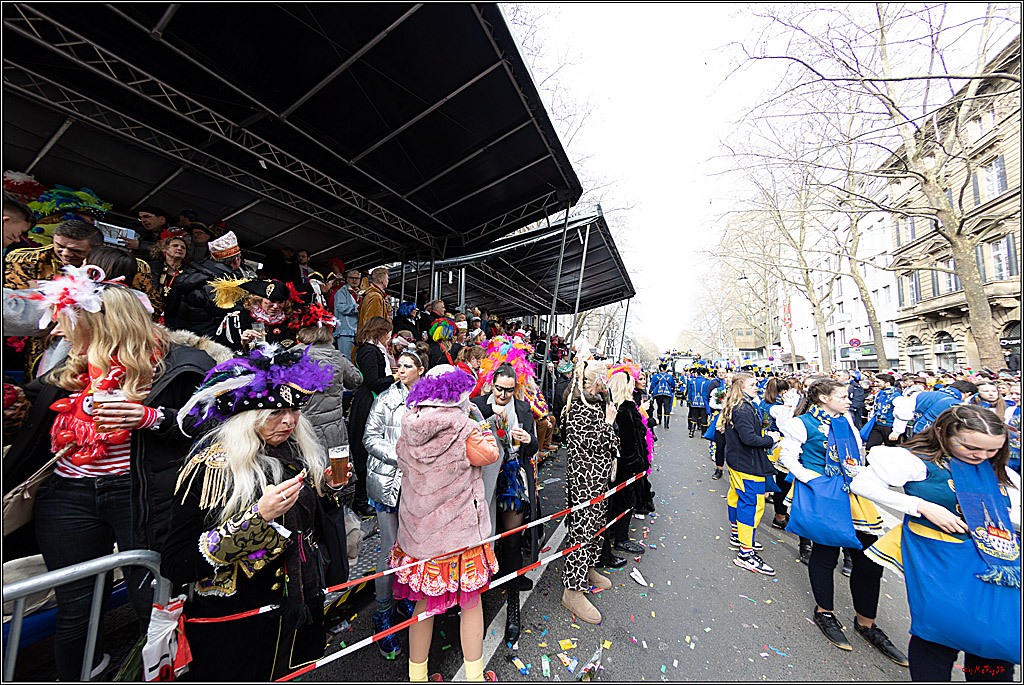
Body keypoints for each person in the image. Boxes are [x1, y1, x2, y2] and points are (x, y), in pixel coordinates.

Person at [2, 265, 215, 680]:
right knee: (75, 607)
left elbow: (213, 423)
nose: (58, 334)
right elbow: (26, 419)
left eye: (66, 323)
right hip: (67, 497)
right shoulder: (66, 372)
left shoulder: (182, 364)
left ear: (100, 322)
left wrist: (152, 417)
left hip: (140, 494)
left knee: (151, 599)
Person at [160, 345, 346, 681]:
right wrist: (257, 519)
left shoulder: (294, 453)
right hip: (236, 627)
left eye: (294, 410)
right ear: (248, 417)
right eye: (275, 412)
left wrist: (327, 490)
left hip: (296, 614)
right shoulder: (212, 468)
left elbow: (310, 532)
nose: (289, 420)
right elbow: (176, 562)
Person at [851, 406, 1020, 681]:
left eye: (992, 451)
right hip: (939, 558)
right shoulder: (915, 461)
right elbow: (862, 484)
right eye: (972, 447)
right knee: (939, 634)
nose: (982, 456)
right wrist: (921, 506)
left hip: (995, 564)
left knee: (992, 639)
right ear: (942, 432)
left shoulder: (1003, 474)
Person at [778, 379, 908, 665]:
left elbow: (857, 453)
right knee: (825, 553)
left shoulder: (846, 419)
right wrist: (814, 481)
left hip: (855, 495)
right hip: (824, 495)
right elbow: (788, 457)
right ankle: (825, 612)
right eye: (842, 396)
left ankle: (866, 624)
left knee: (869, 560)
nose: (850, 400)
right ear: (823, 398)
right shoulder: (801, 424)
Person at [390, 365, 501, 682]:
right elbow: (490, 453)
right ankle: (475, 676)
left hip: (419, 537)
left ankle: (418, 676)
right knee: (471, 604)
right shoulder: (465, 429)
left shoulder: (408, 426)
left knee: (423, 605)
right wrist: (479, 422)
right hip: (458, 537)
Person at [5, 220, 161, 377]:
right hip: (42, 353)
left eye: (76, 251)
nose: (65, 253)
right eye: (59, 246)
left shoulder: (131, 277)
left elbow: (151, 310)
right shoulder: (29, 259)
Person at [363, 342, 429, 657]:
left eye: (406, 365)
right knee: (389, 550)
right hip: (388, 484)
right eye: (397, 365)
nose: (398, 370)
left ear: (421, 371)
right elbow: (369, 438)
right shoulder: (387, 399)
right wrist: (399, 456)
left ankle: (402, 599)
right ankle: (382, 614)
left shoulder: (431, 402)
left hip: (418, 488)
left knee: (411, 548)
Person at [471, 362, 539, 646]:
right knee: (482, 544)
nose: (504, 395)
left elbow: (534, 447)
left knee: (511, 544)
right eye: (500, 389)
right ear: (491, 384)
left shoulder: (522, 409)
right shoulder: (476, 406)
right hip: (483, 484)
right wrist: (489, 419)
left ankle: (513, 610)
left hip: (512, 480)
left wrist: (527, 440)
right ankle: (478, 612)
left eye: (510, 391)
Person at [560, 357, 618, 624]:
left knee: (596, 528)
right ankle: (572, 590)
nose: (608, 378)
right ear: (596, 380)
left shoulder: (595, 404)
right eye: (604, 374)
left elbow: (609, 445)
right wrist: (609, 423)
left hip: (599, 480)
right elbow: (597, 444)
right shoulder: (577, 410)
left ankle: (589, 568)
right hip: (585, 483)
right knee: (581, 533)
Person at [293, 312, 363, 509]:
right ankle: (337, 513)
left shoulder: (292, 356)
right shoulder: (337, 356)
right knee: (336, 474)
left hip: (301, 428)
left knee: (304, 473)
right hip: (333, 428)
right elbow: (356, 380)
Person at [721, 373, 782, 575]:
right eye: (753, 384)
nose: (758, 387)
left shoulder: (739, 404)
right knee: (753, 504)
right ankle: (745, 554)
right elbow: (749, 439)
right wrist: (771, 439)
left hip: (739, 461)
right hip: (747, 464)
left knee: (736, 496)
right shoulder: (743, 407)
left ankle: (738, 536)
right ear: (741, 386)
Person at [599, 366, 648, 566]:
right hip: (627, 466)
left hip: (619, 464)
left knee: (616, 502)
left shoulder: (613, 405)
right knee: (624, 502)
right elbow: (630, 441)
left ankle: (616, 535)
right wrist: (638, 465)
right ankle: (621, 538)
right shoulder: (625, 408)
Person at [349, 316, 396, 517]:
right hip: (368, 404)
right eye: (387, 334)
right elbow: (373, 382)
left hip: (373, 402)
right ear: (380, 333)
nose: (389, 338)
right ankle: (360, 500)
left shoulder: (373, 350)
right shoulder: (369, 351)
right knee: (365, 450)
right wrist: (396, 377)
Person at [173, 230, 247, 337]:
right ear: (236, 260)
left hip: (185, 334)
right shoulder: (223, 283)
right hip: (209, 339)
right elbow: (226, 314)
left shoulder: (192, 272)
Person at [212, 279, 299, 353]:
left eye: (280, 302)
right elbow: (221, 350)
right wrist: (242, 343)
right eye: (271, 301)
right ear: (259, 299)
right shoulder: (236, 319)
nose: (276, 306)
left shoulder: (291, 322)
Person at [758, 377, 800, 531]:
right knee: (782, 482)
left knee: (773, 480)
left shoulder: (764, 403)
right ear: (783, 391)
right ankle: (779, 516)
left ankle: (779, 513)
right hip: (777, 444)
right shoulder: (778, 406)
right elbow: (785, 425)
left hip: (766, 441)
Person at [891, 380, 979, 440]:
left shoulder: (920, 394)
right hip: (939, 438)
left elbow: (902, 413)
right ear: (968, 394)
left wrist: (897, 431)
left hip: (917, 433)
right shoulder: (959, 404)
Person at [147, 235, 190, 328]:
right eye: (175, 245)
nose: (179, 248)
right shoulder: (152, 267)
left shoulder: (190, 271)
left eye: (183, 247)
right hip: (152, 314)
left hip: (177, 318)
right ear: (165, 249)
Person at [706, 369, 733, 479]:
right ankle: (719, 469)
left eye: (730, 378)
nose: (728, 380)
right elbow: (712, 404)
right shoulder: (718, 390)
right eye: (726, 378)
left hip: (733, 422)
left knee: (733, 447)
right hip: (720, 421)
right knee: (720, 445)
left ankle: (733, 471)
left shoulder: (739, 392)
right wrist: (724, 406)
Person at [863, 374, 902, 449]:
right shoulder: (879, 393)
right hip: (878, 425)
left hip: (890, 427)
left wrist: (896, 432)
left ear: (887, 383)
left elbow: (900, 416)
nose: (876, 384)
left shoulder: (897, 397)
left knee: (892, 450)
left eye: (878, 382)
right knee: (870, 448)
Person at [356, 267, 392, 332]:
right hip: (373, 338)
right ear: (382, 280)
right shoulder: (375, 296)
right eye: (387, 279)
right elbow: (373, 323)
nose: (388, 281)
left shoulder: (374, 295)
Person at [648, 363, 675, 429]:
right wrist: (672, 390)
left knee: (659, 407)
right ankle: (666, 424)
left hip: (658, 393)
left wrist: (650, 390)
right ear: (666, 369)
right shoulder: (670, 377)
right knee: (667, 408)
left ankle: (659, 421)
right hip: (667, 394)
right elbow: (673, 385)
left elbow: (652, 385)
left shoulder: (655, 376)